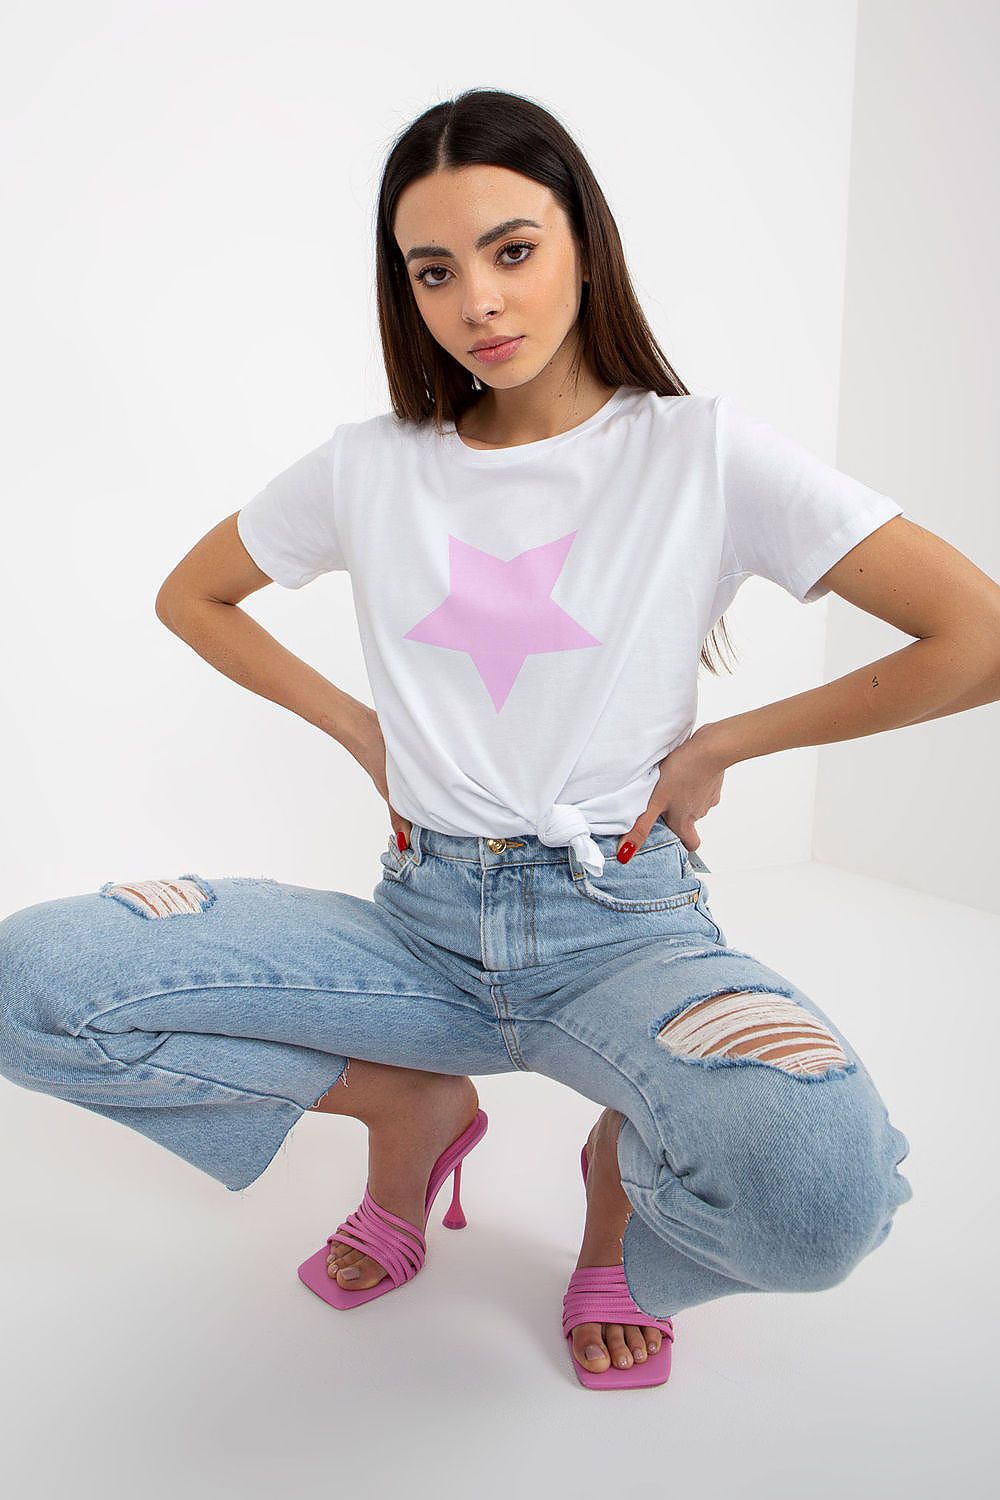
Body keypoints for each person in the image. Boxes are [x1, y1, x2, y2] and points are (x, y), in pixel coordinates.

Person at [5, 85, 997, 1391]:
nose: (478, 298)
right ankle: (409, 1104)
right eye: (435, 268)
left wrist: (723, 748)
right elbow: (192, 596)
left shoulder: (703, 454)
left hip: (622, 929)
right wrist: (364, 732)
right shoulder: (368, 467)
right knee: (35, 982)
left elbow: (973, 633)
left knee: (817, 1196)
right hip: (415, 928)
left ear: (585, 243)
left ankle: (622, 1183)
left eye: (513, 249)